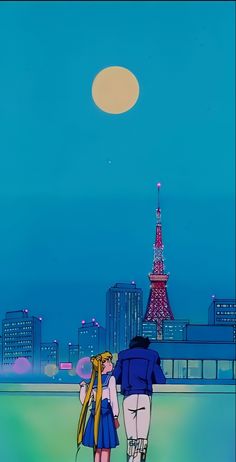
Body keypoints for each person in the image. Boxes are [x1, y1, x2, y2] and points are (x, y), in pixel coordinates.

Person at [113, 336, 166, 462]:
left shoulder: (123, 355)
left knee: (131, 437)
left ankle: (131, 459)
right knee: (142, 437)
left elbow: (115, 377)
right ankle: (139, 460)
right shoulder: (152, 355)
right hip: (144, 396)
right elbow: (160, 379)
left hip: (128, 397)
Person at [76, 351, 120, 462]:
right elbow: (113, 399)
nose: (111, 364)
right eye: (109, 361)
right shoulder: (111, 379)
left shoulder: (92, 381)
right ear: (103, 365)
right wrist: (115, 416)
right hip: (106, 416)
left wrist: (82, 388)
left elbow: (86, 402)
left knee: (97, 446)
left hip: (95, 415)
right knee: (105, 447)